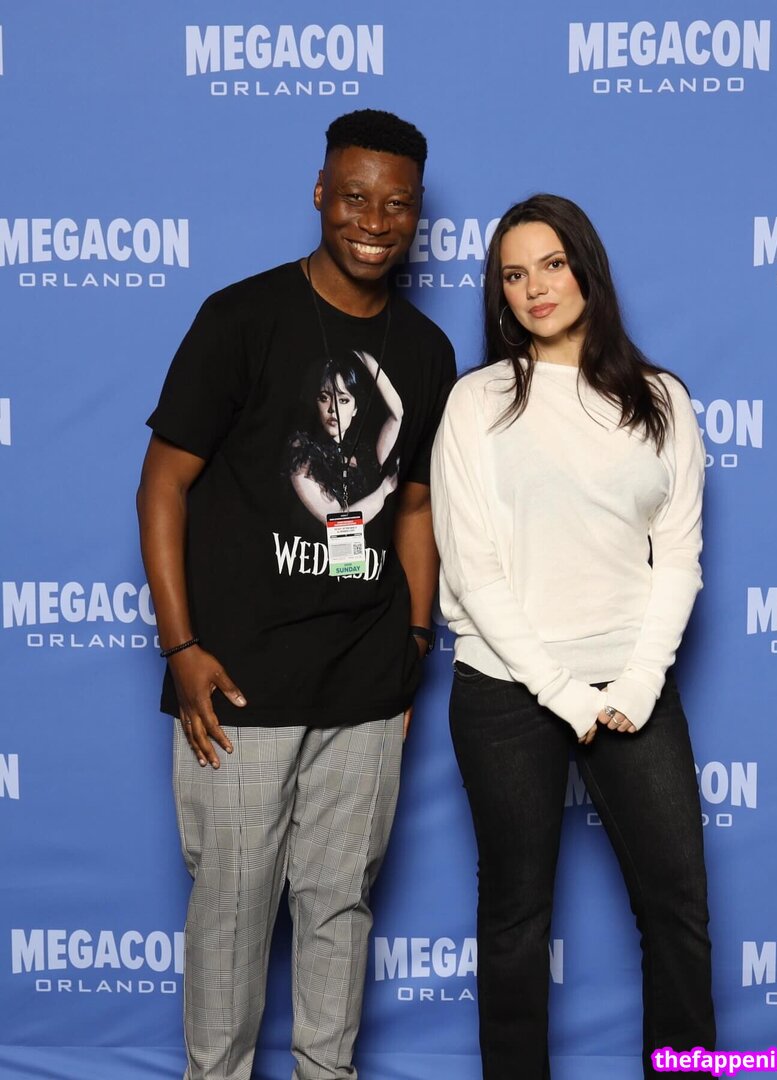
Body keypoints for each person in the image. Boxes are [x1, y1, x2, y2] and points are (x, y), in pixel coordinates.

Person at [136, 109, 455, 1080]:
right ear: (320, 194)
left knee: (338, 907)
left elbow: (414, 506)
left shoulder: (427, 351)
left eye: (396, 205)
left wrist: (412, 639)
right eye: (354, 197)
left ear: (417, 214)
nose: (374, 221)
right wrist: (181, 650)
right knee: (231, 912)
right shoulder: (241, 318)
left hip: (365, 684)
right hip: (238, 682)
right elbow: (163, 485)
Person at [430, 194, 715, 1078]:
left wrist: (635, 684)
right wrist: (559, 692)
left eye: (552, 264)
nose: (535, 288)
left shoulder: (661, 399)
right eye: (514, 275)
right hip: (508, 691)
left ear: (586, 266)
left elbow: (679, 558)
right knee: (516, 919)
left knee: (676, 909)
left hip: (630, 686)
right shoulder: (476, 402)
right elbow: (472, 569)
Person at [284, 349, 403, 524]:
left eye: (343, 400)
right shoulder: (302, 455)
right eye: (324, 398)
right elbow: (336, 522)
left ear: (355, 409)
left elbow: (397, 414)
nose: (333, 409)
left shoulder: (363, 453)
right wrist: (385, 489)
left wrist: (363, 355)